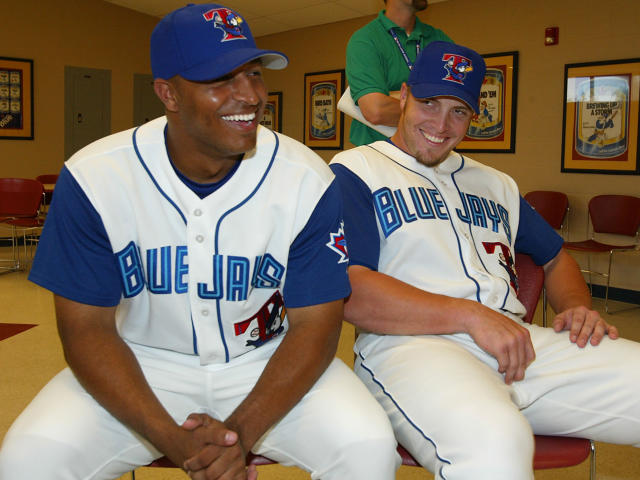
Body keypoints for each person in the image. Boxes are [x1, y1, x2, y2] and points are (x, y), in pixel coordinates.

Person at [0, 4, 399, 480]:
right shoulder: (94, 176)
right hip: (139, 362)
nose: (249, 95)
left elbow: (317, 326)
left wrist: (238, 439)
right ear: (168, 93)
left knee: (368, 448)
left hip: (268, 360)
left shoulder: (306, 177)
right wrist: (174, 441)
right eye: (221, 80)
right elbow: (86, 331)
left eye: (253, 74)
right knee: (27, 459)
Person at [330, 40, 640, 479]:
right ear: (403, 96)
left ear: (474, 116)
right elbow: (350, 290)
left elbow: (555, 258)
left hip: (516, 342)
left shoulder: (495, 183)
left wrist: (576, 308)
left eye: (458, 110)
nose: (441, 123)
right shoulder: (356, 170)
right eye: (429, 102)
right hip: (411, 347)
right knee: (494, 443)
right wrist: (471, 316)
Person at [345, 0, 452, 146]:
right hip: (378, 158)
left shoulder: (439, 40)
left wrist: (393, 96)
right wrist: (435, 104)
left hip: (432, 156)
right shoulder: (364, 40)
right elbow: (376, 110)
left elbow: (462, 104)